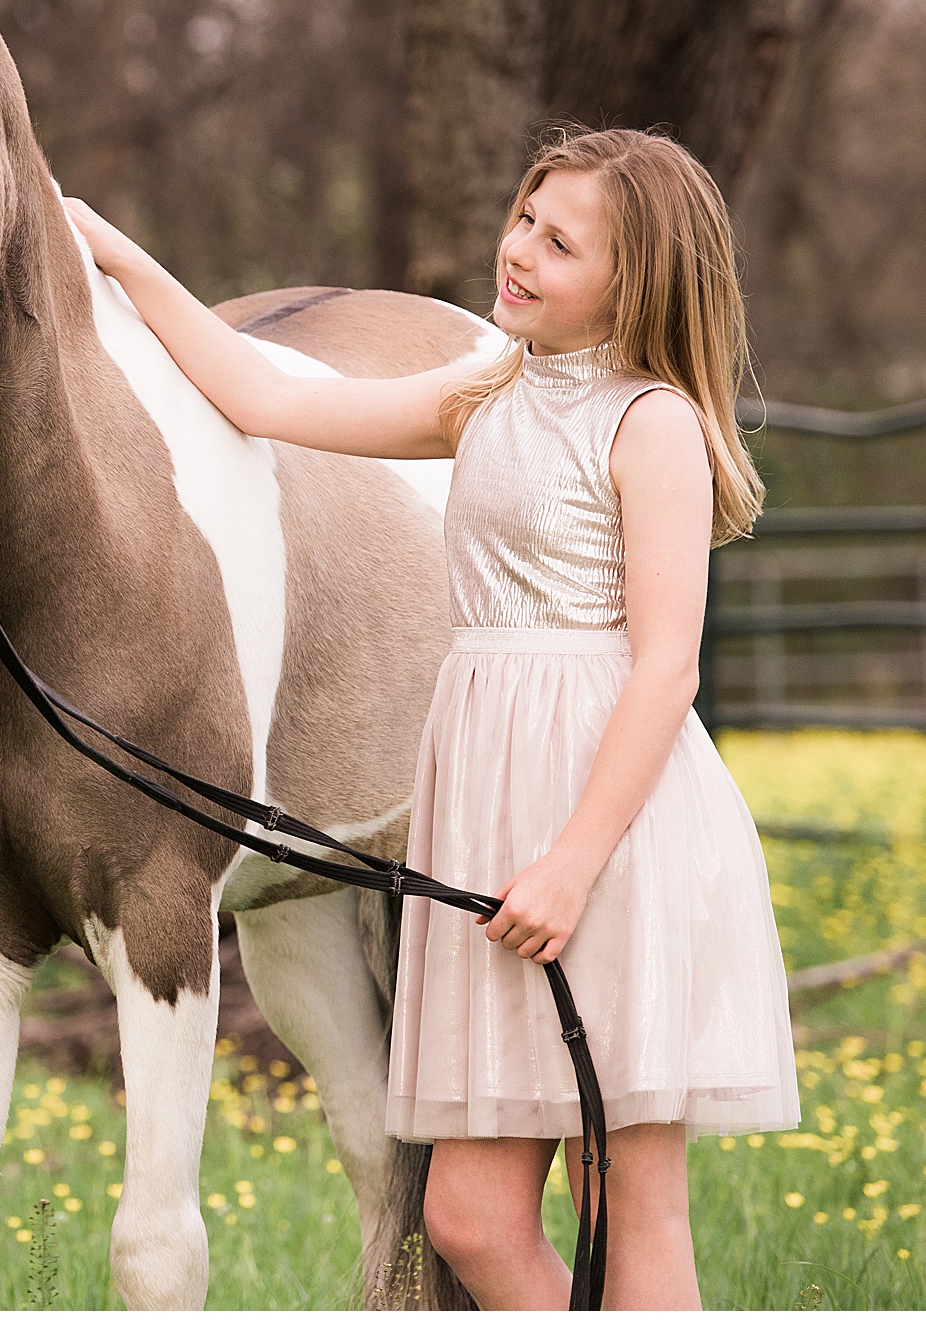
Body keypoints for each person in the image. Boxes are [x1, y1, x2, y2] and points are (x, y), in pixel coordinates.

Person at [65, 125, 800, 1310]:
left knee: (621, 1202)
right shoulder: (486, 395)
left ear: (638, 279)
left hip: (605, 822)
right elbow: (261, 390)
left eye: (560, 244)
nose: (517, 251)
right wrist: (112, 252)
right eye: (524, 218)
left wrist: (569, 864)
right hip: (485, 816)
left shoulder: (648, 423)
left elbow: (666, 667)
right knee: (464, 1217)